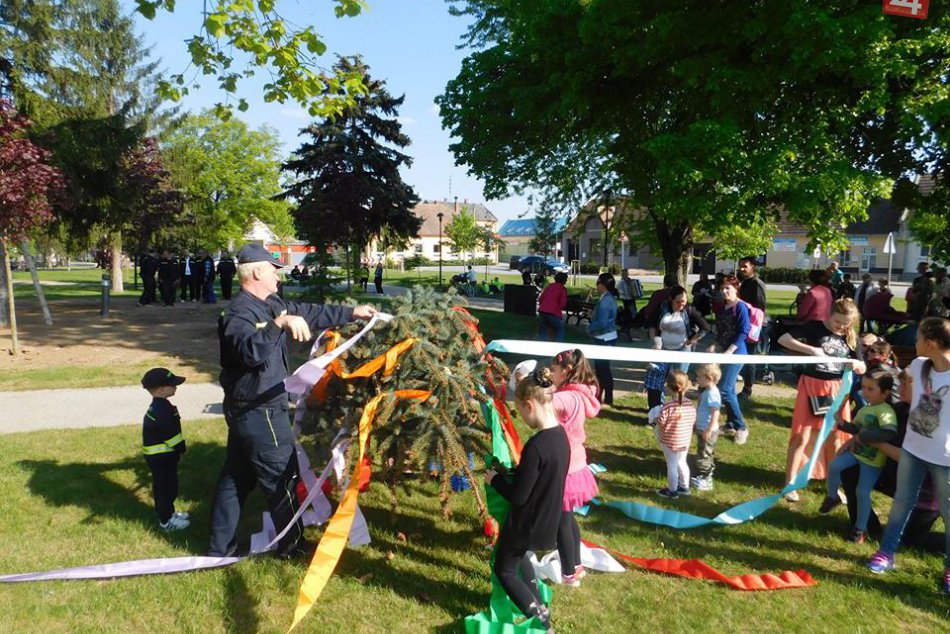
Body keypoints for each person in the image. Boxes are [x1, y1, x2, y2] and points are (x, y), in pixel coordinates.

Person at [207, 244, 377, 558]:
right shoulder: (237, 313)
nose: (277, 275)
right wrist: (277, 326)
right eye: (273, 269)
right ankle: (291, 547)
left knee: (237, 477)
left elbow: (310, 312)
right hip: (259, 410)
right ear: (256, 272)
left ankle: (220, 548)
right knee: (283, 477)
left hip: (256, 408)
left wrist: (352, 312)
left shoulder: (271, 302)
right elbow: (248, 352)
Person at [867, 317, 950, 595]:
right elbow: (897, 379)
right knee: (902, 503)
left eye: (917, 339)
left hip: (945, 459)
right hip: (914, 451)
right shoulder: (917, 365)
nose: (913, 344)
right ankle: (886, 553)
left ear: (931, 343)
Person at [485, 367, 569, 632]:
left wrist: (494, 480)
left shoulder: (536, 447)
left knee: (505, 571)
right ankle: (539, 607)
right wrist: (512, 472)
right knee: (520, 560)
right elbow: (538, 479)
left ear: (530, 405)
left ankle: (542, 623)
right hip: (546, 522)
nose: (521, 418)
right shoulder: (561, 438)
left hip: (524, 524)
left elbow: (519, 496)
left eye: (520, 411)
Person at [840, 367, 943, 552]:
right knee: (849, 469)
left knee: (910, 544)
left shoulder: (929, 419)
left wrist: (876, 443)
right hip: (895, 478)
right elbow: (866, 429)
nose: (900, 387)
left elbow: (908, 459)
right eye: (900, 382)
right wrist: (852, 442)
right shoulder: (897, 409)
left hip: (924, 495)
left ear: (924, 387)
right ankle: (865, 526)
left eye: (906, 383)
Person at [777, 298, 865, 502]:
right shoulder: (814, 327)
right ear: (829, 315)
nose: (842, 326)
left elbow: (862, 365)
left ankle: (832, 485)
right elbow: (783, 339)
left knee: (835, 439)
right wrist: (812, 350)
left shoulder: (851, 337)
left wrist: (858, 366)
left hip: (837, 391)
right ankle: (790, 483)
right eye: (838, 321)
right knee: (802, 436)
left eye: (846, 323)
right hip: (812, 387)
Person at [821, 370, 898, 544]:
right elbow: (856, 429)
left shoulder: (885, 411)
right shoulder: (865, 409)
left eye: (871, 389)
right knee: (834, 466)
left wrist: (866, 436)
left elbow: (889, 432)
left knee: (862, 492)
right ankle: (833, 497)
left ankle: (860, 529)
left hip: (872, 462)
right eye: (863, 387)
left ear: (885, 393)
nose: (865, 392)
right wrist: (842, 424)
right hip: (857, 454)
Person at [550, 349, 601, 587]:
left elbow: (540, 404)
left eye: (553, 371)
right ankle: (577, 564)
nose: (551, 375)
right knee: (568, 518)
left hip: (564, 467)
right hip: (576, 462)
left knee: (561, 520)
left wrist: (524, 383)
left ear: (567, 371)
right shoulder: (578, 395)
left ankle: (569, 572)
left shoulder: (565, 398)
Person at [643, 285, 710, 409]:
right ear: (671, 299)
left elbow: (705, 328)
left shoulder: (689, 310)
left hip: (682, 349)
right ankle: (658, 408)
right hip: (662, 348)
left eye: (683, 301)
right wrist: (655, 341)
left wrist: (692, 340)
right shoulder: (662, 307)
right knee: (658, 379)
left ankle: (678, 407)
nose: (681, 304)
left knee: (679, 381)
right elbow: (652, 325)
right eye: (678, 302)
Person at [141, 367, 190, 532]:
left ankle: (170, 513)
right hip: (161, 459)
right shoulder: (162, 410)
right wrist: (181, 447)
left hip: (163, 458)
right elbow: (171, 435)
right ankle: (166, 521)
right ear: (161, 389)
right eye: (172, 384)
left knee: (169, 487)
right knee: (165, 489)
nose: (176, 386)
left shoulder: (161, 406)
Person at [713, 275, 751, 445]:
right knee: (728, 390)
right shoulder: (723, 307)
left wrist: (729, 351)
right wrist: (715, 346)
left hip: (737, 353)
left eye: (728, 288)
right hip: (724, 352)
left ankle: (741, 427)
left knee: (725, 390)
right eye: (722, 288)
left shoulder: (740, 307)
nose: (724, 291)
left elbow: (744, 331)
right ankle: (730, 424)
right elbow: (721, 332)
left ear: (736, 289)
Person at [651, 370, 697, 499]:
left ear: (668, 386)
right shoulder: (690, 405)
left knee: (671, 464)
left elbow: (661, 423)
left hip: (669, 441)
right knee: (682, 462)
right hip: (684, 441)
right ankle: (684, 487)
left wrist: (655, 420)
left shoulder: (667, 406)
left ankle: (672, 491)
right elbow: (693, 420)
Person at [737, 256, 769, 398]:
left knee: (749, 358)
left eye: (745, 266)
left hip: (751, 328)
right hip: (741, 325)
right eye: (741, 266)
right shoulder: (745, 283)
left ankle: (747, 389)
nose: (742, 269)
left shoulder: (756, 284)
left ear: (753, 267)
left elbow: (759, 310)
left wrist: (753, 332)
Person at [588, 272, 619, 405]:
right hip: (606, 337)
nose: (596, 286)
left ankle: (607, 399)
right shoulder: (608, 298)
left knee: (603, 370)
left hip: (604, 338)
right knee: (602, 370)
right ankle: (601, 398)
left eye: (598, 283)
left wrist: (588, 329)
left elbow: (602, 323)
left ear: (603, 285)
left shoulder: (606, 301)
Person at [690, 364, 722, 492]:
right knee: (704, 452)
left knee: (704, 454)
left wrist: (709, 429)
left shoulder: (711, 393)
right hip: (703, 428)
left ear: (708, 378)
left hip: (707, 430)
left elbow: (716, 412)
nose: (697, 379)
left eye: (699, 377)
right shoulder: (708, 391)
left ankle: (706, 479)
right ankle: (704, 475)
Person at [537, 272, 568, 342]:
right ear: (564, 280)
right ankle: (558, 345)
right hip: (553, 312)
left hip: (542, 310)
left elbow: (540, 299)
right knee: (560, 329)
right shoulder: (562, 289)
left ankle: (542, 345)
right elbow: (563, 304)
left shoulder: (549, 287)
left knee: (544, 328)